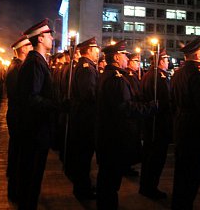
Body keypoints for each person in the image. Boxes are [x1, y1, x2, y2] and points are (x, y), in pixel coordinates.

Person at [95, 40, 155, 210]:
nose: (127, 59)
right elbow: (125, 108)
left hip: (107, 135)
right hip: (114, 136)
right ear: (115, 57)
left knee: (107, 179)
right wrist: (150, 107)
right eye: (124, 55)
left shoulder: (107, 75)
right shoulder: (116, 78)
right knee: (110, 181)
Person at [170, 36, 200, 210]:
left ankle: (178, 204)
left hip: (182, 125)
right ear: (197, 55)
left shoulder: (179, 73)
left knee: (182, 172)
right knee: (193, 174)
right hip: (196, 129)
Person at [16, 19, 57, 209]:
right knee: (31, 177)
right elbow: (32, 98)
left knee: (33, 177)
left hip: (38, 129)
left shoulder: (38, 61)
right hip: (35, 130)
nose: (52, 38)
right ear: (40, 38)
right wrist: (55, 105)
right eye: (49, 35)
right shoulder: (34, 63)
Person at [66, 37, 100, 200]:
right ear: (89, 50)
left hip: (83, 117)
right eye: (96, 49)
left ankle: (83, 186)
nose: (98, 52)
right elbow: (90, 94)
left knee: (83, 156)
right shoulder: (86, 68)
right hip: (85, 118)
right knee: (83, 156)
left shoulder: (86, 66)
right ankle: (82, 189)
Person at [139, 49, 172, 199]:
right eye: (166, 60)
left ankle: (146, 186)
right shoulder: (158, 76)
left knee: (149, 157)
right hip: (157, 123)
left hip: (151, 122)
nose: (168, 62)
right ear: (160, 61)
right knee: (155, 158)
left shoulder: (149, 74)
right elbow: (165, 100)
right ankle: (150, 187)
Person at [5, 35, 32, 202]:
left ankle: (15, 187)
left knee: (17, 151)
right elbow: (19, 96)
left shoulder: (17, 66)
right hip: (18, 115)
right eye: (29, 47)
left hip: (16, 114)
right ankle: (15, 190)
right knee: (18, 154)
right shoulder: (17, 68)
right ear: (23, 49)